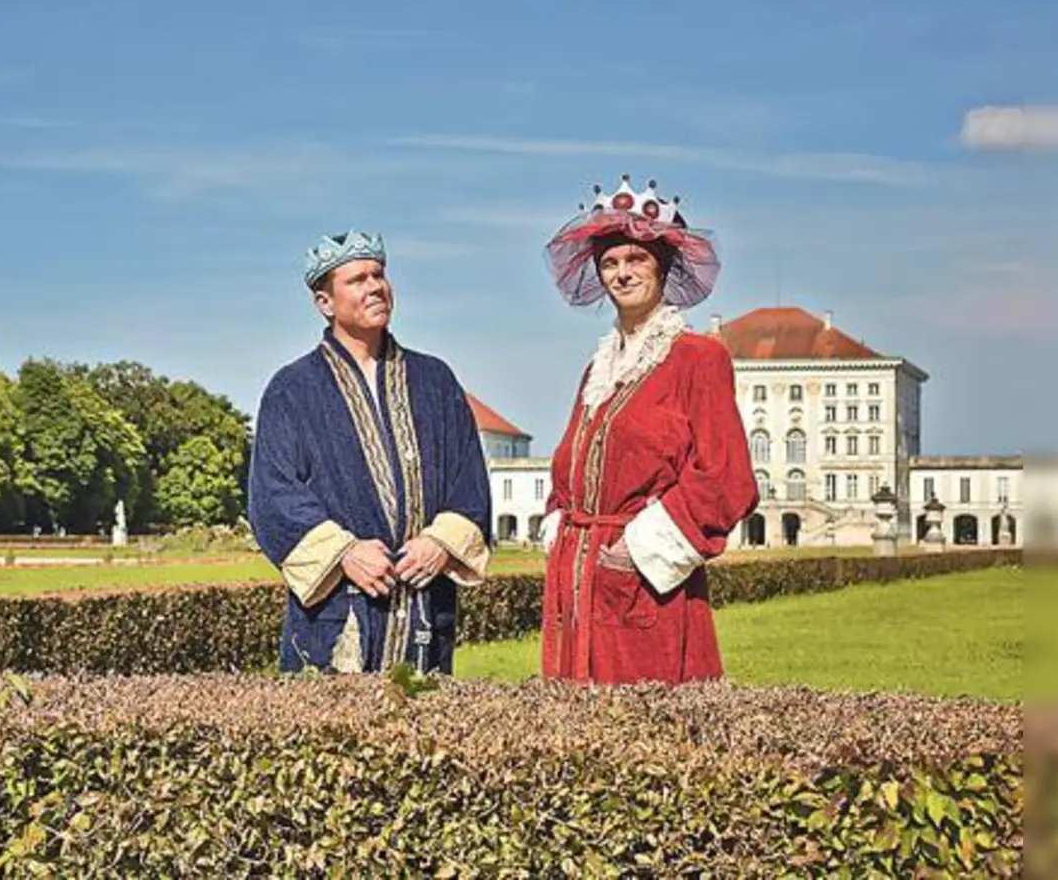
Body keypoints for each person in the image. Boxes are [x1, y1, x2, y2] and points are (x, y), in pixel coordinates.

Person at [537, 174, 759, 686]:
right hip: (576, 584)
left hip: (643, 586)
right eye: (610, 263)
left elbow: (727, 478)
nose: (622, 273)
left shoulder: (697, 357)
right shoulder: (598, 369)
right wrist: (558, 524)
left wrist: (637, 549)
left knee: (646, 729)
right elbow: (570, 461)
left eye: (636, 258)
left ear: (662, 266)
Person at [248, 230, 493, 675]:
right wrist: (344, 552)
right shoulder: (292, 390)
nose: (375, 287)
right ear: (325, 302)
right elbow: (273, 495)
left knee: (429, 735)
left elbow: (469, 481)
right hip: (338, 615)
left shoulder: (434, 381)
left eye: (379, 275)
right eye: (357, 279)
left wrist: (441, 542)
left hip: (422, 608)